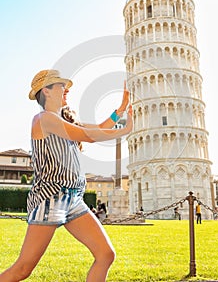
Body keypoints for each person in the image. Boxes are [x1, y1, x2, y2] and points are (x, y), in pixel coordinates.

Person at [0, 69, 132, 282]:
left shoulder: (64, 121)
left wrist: (121, 109)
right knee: (22, 269)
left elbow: (98, 128)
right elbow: (89, 136)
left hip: (73, 200)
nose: (67, 90)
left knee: (105, 254)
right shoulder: (43, 120)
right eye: (61, 86)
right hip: (50, 199)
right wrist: (123, 131)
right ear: (47, 91)